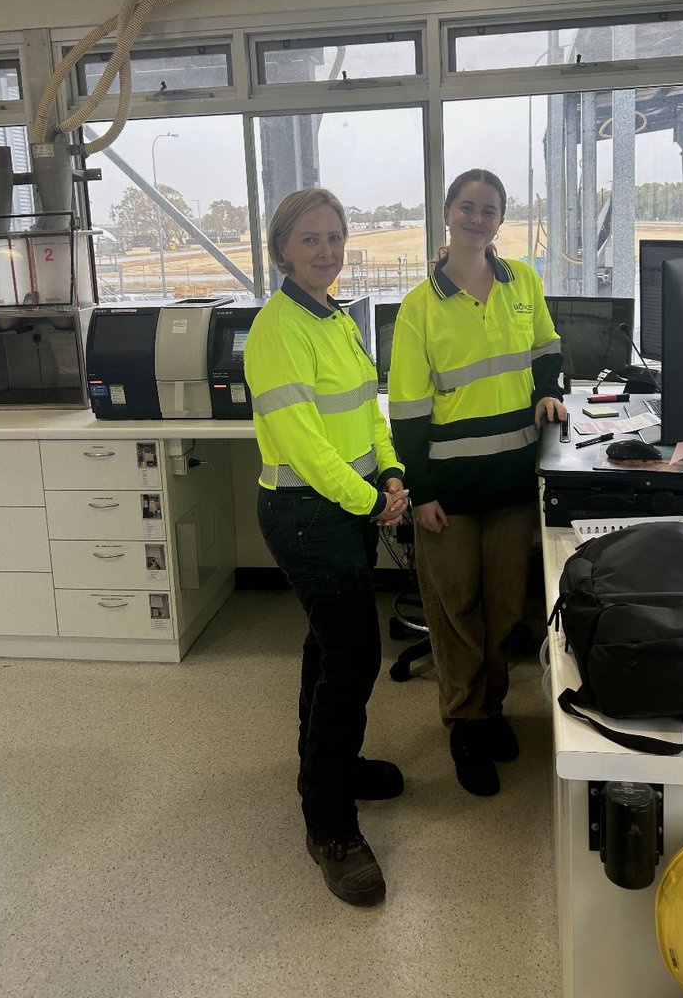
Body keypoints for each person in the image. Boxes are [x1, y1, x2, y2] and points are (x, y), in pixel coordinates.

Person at [244, 186, 409, 907]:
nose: (327, 251)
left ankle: (326, 771)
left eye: (336, 238)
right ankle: (330, 825)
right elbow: (308, 451)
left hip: (347, 507)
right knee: (353, 657)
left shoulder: (336, 317)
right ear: (282, 247)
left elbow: (367, 409)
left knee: (328, 647)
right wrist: (372, 500)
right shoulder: (278, 328)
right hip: (307, 514)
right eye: (310, 239)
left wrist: (393, 471)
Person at [388, 167, 565, 797]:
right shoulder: (420, 307)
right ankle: (462, 720)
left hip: (513, 478)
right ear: (446, 212)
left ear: (500, 219)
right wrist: (423, 490)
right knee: (457, 608)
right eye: (467, 207)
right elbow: (406, 410)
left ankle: (491, 709)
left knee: (503, 609)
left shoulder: (524, 282)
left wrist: (548, 394)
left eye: (488, 210)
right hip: (450, 491)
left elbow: (546, 348)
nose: (476, 218)